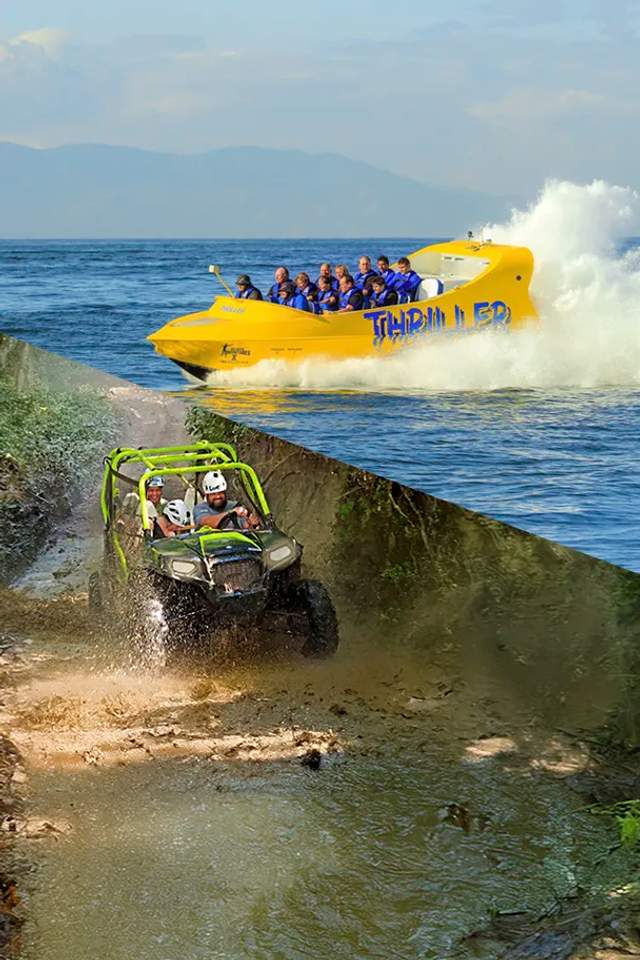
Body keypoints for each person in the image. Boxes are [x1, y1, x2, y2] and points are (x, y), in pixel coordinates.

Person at [193, 470, 260, 530]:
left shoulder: (235, 506)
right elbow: (206, 522)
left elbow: (246, 527)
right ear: (207, 495)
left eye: (220, 492)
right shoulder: (200, 508)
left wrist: (251, 523)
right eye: (213, 494)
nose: (218, 496)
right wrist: (230, 513)